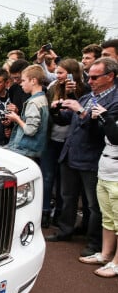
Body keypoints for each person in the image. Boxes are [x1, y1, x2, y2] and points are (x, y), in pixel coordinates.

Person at [46, 58, 118, 258]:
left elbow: (103, 132)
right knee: (67, 196)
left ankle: (94, 242)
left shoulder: (114, 101)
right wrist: (56, 111)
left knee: (94, 204)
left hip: (92, 158)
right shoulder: (88, 96)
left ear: (110, 76)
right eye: (89, 76)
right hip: (71, 155)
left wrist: (81, 112)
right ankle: (65, 230)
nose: (90, 80)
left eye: (95, 77)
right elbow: (68, 120)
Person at [41, 59, 87, 227]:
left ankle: (60, 215)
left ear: (72, 74)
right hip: (51, 138)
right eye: (58, 72)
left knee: (64, 182)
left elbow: (81, 116)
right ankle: (45, 212)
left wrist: (73, 95)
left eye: (61, 73)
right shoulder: (53, 87)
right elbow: (50, 115)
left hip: (69, 142)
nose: (58, 76)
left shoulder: (84, 90)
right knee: (47, 176)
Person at [78, 103, 118, 277]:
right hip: (105, 171)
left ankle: (116, 263)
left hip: (116, 176)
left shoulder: (111, 116)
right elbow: (97, 135)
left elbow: (116, 137)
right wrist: (95, 120)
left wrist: (106, 117)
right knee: (107, 218)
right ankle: (106, 254)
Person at [5, 64, 49, 162]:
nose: (21, 84)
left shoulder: (33, 102)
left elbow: (30, 130)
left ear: (33, 81)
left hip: (26, 150)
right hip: (32, 150)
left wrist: (16, 118)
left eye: (24, 80)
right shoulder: (43, 98)